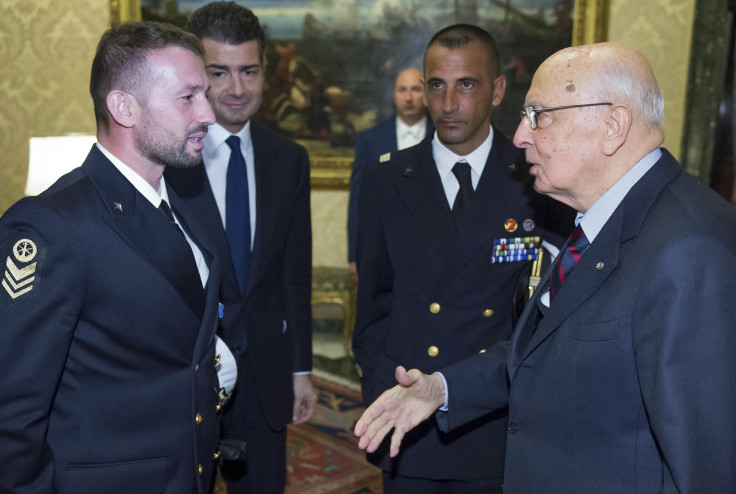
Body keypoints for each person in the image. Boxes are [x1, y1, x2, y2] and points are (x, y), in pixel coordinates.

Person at [354, 42, 736, 493]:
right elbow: (540, 350)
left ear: (612, 125)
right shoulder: (603, 221)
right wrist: (441, 388)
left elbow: (705, 466)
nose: (519, 135)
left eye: (539, 115)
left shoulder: (687, 250)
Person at [0, 21, 232, 493]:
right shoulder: (53, 226)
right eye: (188, 97)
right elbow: (11, 409)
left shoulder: (181, 206)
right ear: (124, 107)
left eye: (205, 94)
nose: (210, 113)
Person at [352, 24, 571, 493]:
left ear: (497, 91)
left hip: (495, 415)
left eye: (466, 85)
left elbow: (548, 310)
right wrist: (379, 386)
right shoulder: (385, 179)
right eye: (437, 85)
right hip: (408, 414)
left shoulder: (535, 178)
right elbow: (372, 303)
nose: (449, 103)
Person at [165, 3, 316, 493]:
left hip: (266, 371)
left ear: (264, 72)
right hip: (187, 371)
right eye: (219, 72)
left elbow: (295, 273)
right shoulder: (169, 162)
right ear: (197, 74)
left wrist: (301, 369)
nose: (236, 88)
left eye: (248, 71)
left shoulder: (289, 159)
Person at [347, 68, 434, 282]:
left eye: (415, 89)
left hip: (434, 246)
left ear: (425, 95)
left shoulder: (446, 135)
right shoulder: (370, 139)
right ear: (393, 94)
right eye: (402, 90)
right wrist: (354, 255)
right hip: (382, 248)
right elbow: (358, 201)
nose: (408, 97)